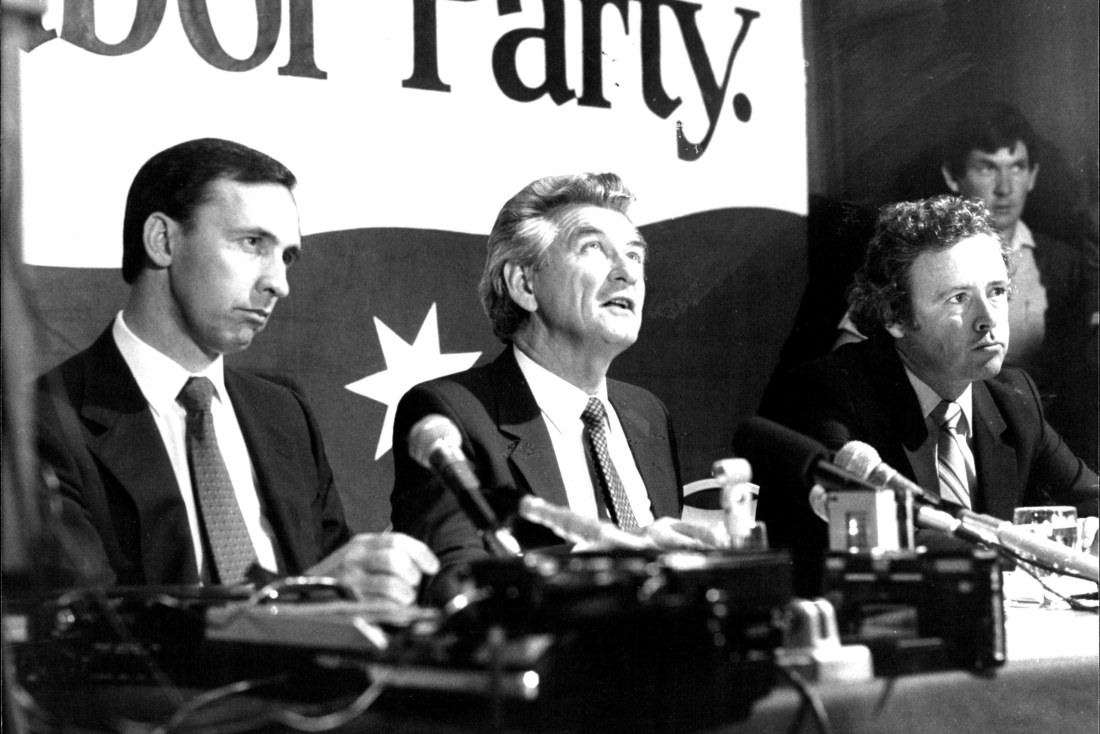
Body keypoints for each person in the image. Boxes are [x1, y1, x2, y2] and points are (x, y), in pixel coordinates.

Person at [35, 138, 438, 604]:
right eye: (252, 243)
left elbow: (338, 587)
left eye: (286, 256)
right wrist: (297, 599)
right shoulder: (39, 422)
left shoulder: (283, 414)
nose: (279, 284)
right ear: (162, 240)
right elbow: (88, 626)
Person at [761, 196, 1098, 586]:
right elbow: (878, 547)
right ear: (895, 316)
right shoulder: (826, 394)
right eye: (958, 299)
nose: (988, 319)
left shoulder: (1012, 396)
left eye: (996, 291)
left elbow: (1089, 498)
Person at [391, 173, 711, 580]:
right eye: (593, 247)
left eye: (634, 255)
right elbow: (455, 579)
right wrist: (611, 561)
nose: (627, 273)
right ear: (524, 284)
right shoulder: (452, 413)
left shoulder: (647, 414)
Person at [834, 103, 1096, 466]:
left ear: (1033, 175)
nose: (1005, 188)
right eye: (987, 168)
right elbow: (849, 371)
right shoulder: (917, 259)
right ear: (953, 176)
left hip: (1027, 441)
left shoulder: (1066, 266)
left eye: (1016, 167)